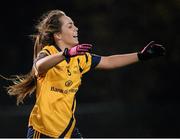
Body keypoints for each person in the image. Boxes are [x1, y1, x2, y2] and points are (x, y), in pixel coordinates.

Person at [5, 10, 165, 138]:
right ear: (58, 35)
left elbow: (109, 61)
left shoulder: (80, 58)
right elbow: (39, 67)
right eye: (70, 26)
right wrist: (65, 54)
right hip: (44, 130)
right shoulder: (49, 52)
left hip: (67, 128)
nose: (76, 28)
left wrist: (141, 56)